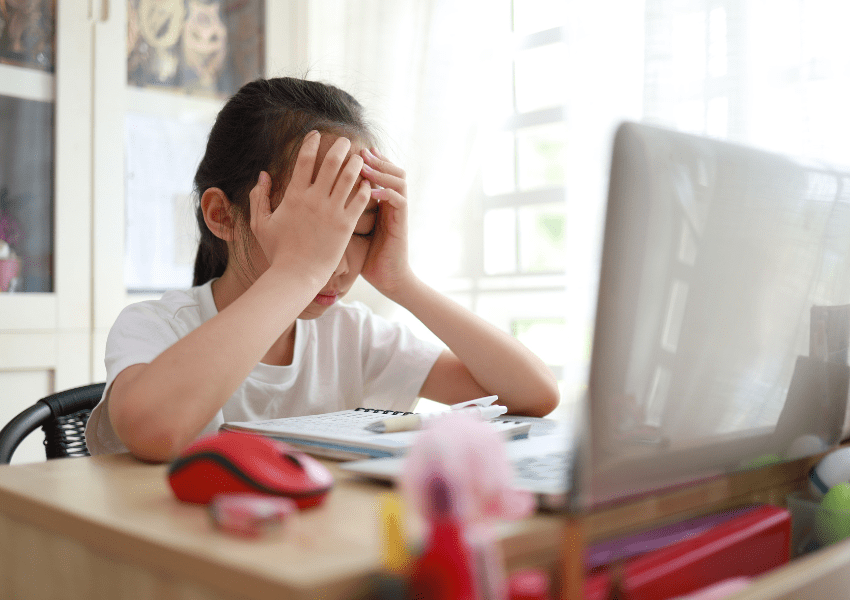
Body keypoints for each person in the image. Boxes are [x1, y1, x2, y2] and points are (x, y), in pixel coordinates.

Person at [85, 77, 559, 462]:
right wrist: (295, 272)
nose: (337, 260)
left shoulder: (354, 337)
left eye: (361, 228)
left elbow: (533, 395)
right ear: (223, 215)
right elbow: (154, 431)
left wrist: (402, 282)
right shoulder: (156, 327)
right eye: (316, 228)